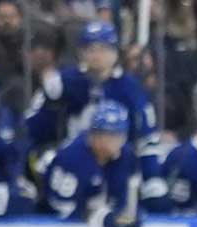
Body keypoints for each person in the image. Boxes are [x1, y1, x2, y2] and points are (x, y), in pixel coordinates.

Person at [25, 20, 168, 213]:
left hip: (114, 159)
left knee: (130, 203)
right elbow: (31, 128)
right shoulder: (65, 81)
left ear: (116, 52)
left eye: (103, 49)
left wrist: (151, 176)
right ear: (81, 52)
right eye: (90, 48)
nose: (97, 55)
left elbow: (146, 137)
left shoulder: (130, 88)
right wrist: (50, 103)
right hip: (71, 158)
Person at [40, 98, 141, 227]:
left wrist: (125, 219)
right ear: (96, 135)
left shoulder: (126, 156)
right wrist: (101, 217)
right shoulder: (71, 158)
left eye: (121, 134)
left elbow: (125, 208)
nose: (119, 141)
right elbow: (62, 210)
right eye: (112, 135)